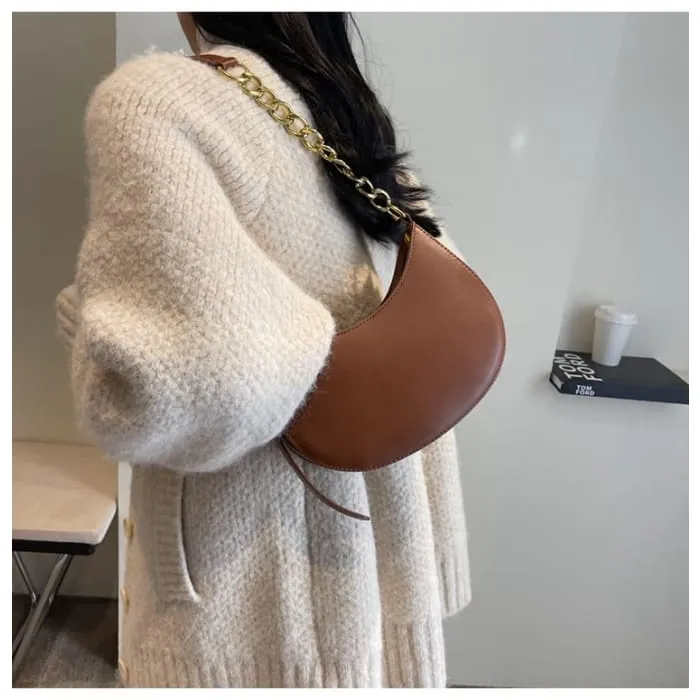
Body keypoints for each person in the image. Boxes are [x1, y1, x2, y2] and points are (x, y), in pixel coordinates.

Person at [55, 12, 471, 689]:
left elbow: (180, 385)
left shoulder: (158, 101)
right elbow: (432, 313)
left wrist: (95, 327)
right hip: (368, 558)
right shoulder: (347, 113)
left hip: (253, 598)